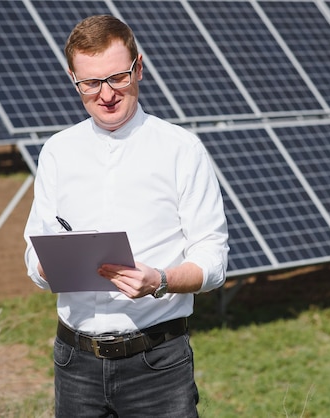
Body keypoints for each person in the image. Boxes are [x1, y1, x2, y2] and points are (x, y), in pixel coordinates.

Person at [23, 14, 228, 417]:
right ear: (73, 79)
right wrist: (47, 265)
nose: (106, 94)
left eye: (117, 77)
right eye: (91, 83)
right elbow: (34, 254)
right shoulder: (58, 152)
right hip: (74, 362)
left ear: (139, 68)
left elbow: (213, 261)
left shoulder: (181, 150)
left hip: (157, 364)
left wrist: (162, 280)